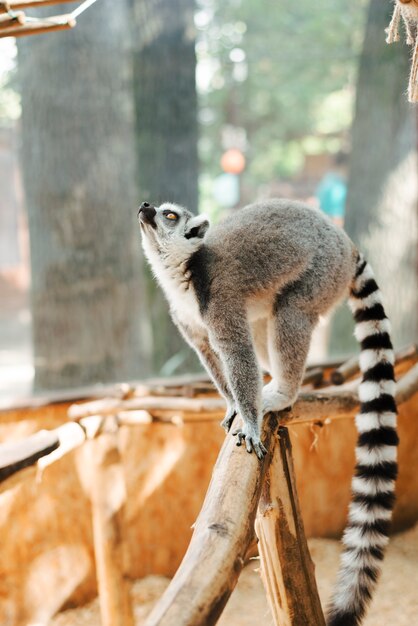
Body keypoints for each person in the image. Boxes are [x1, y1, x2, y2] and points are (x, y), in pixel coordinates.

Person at [316, 152, 348, 227]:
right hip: (331, 223)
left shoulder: (327, 177)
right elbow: (337, 217)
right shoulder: (338, 186)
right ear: (344, 166)